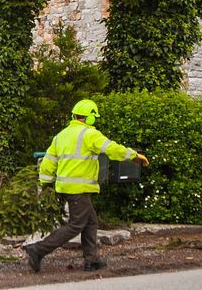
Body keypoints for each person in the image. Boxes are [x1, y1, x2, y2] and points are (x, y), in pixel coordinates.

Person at [24, 98, 148, 273]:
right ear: (89, 118)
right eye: (94, 117)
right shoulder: (90, 134)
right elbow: (112, 148)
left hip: (68, 187)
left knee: (91, 222)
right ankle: (38, 250)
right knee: (76, 224)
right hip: (79, 189)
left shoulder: (61, 135)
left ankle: (91, 260)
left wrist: (45, 183)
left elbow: (48, 162)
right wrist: (133, 155)